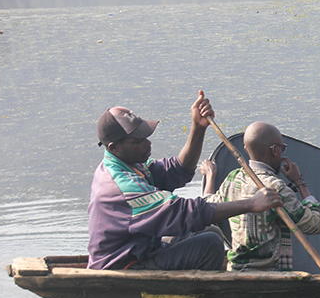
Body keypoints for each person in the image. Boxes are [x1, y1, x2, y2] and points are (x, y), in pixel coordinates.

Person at [87, 91, 283, 271]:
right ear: (114, 148)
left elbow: (177, 170)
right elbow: (181, 212)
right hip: (125, 267)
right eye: (138, 142)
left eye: (146, 137)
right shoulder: (121, 186)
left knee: (209, 229)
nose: (148, 143)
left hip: (146, 251)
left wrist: (198, 128)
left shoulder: (133, 165)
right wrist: (250, 204)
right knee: (210, 245)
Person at [201, 122, 320, 271]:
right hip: (272, 274)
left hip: (236, 270)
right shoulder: (275, 189)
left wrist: (210, 175)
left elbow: (207, 205)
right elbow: (315, 225)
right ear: (274, 150)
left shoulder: (232, 180)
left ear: (246, 150)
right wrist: (299, 182)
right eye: (282, 148)